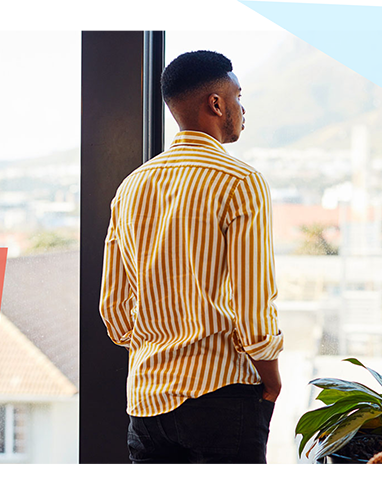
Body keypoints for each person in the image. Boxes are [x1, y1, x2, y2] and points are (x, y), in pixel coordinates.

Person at [99, 50, 283, 480]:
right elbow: (254, 309)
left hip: (147, 403)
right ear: (216, 104)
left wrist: (158, 345)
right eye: (237, 96)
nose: (242, 108)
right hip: (223, 396)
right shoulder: (240, 182)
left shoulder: (132, 187)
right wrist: (271, 379)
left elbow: (113, 309)